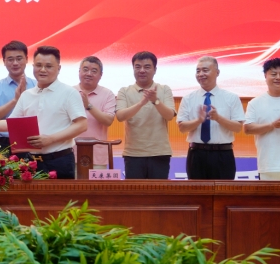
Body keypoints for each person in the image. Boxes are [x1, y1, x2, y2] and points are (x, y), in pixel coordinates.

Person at [0, 46, 87, 179]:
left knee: (60, 194)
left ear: (58, 68)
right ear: (33, 66)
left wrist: (51, 139)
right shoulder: (27, 95)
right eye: (39, 65)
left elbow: (81, 125)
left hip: (60, 160)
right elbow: (12, 124)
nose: (43, 70)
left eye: (48, 66)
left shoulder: (69, 93)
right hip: (31, 162)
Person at [177, 56, 244, 180]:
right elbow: (182, 128)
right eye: (198, 71)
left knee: (224, 192)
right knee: (197, 191)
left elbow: (238, 127)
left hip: (223, 154)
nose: (201, 74)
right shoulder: (188, 98)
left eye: (205, 70)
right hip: (196, 155)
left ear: (217, 72)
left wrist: (218, 118)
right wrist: (198, 120)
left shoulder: (231, 98)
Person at [116, 51, 176, 179]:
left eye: (147, 67)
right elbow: (120, 116)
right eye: (138, 67)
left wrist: (155, 101)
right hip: (133, 154)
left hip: (160, 153)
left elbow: (169, 115)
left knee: (158, 191)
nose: (142, 70)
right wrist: (141, 103)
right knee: (135, 192)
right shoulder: (124, 91)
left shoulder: (164, 89)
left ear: (155, 70)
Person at [0, 40, 37, 152]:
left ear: (27, 59)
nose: (15, 63)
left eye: (19, 58)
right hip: (4, 143)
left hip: (33, 142)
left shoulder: (38, 85)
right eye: (10, 59)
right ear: (4, 61)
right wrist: (15, 100)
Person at [74, 56, 116, 169]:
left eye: (94, 71)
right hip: (70, 153)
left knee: (97, 181)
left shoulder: (108, 94)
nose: (89, 73)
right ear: (79, 71)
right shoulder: (69, 92)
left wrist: (88, 106)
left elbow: (108, 121)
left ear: (100, 75)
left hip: (97, 155)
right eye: (85, 69)